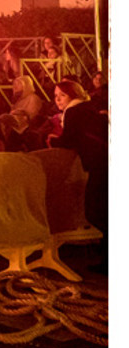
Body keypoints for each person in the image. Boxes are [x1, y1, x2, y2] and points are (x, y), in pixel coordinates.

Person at [47, 79, 108, 263]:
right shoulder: (90, 108)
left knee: (95, 211)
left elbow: (69, 140)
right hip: (104, 160)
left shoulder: (74, 111)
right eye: (56, 96)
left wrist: (52, 140)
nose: (58, 100)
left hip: (98, 163)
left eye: (62, 95)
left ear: (73, 94)